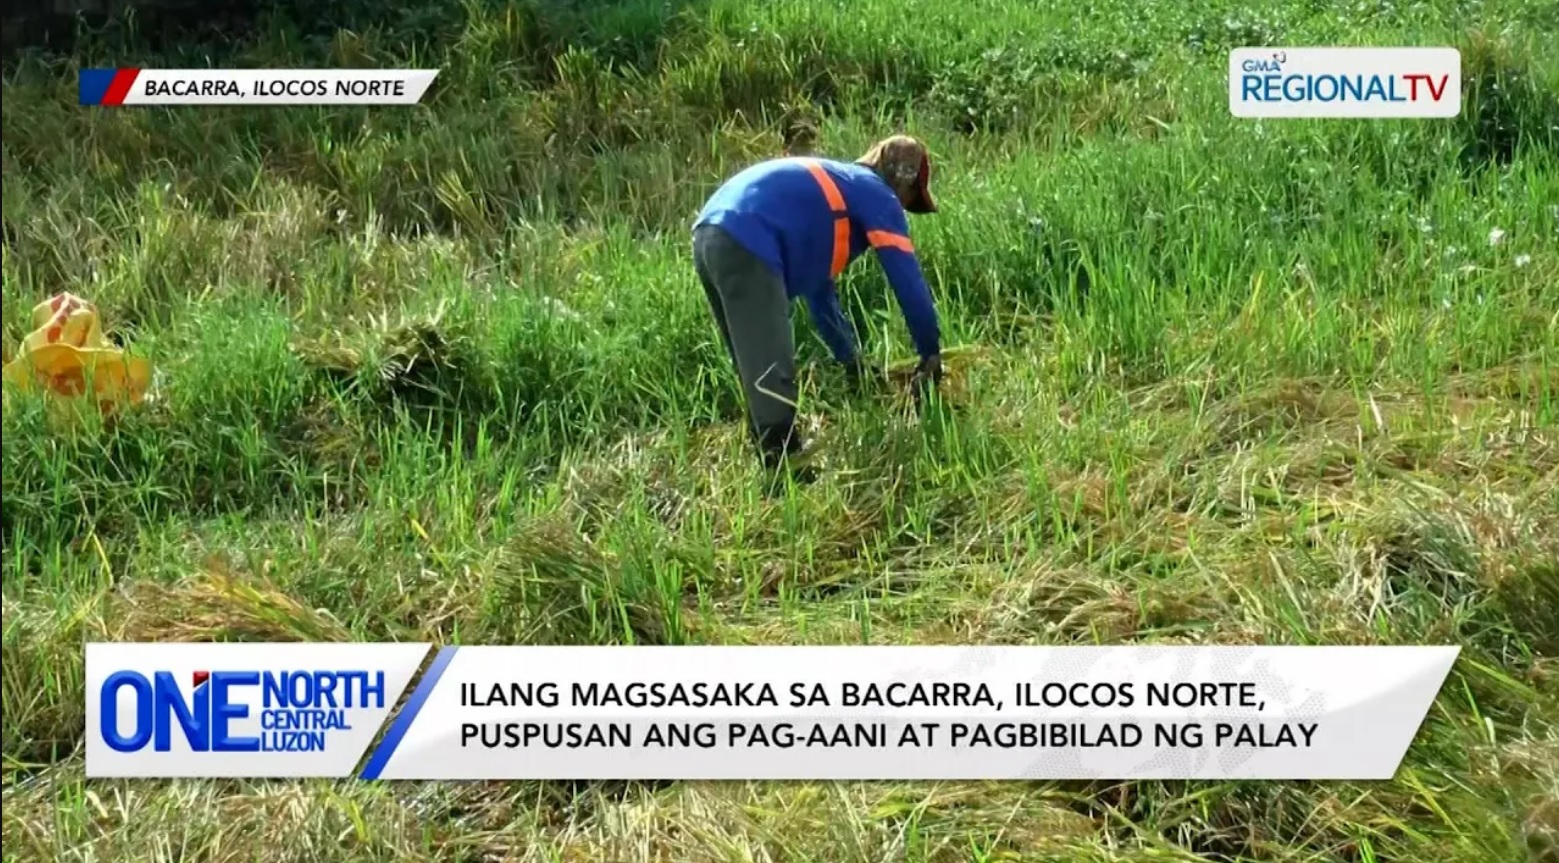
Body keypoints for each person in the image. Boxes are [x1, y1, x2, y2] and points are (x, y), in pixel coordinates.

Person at [691, 135, 944, 468]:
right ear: (903, 178)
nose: (903, 209)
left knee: (752, 361)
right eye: (910, 199)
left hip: (710, 233)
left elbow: (820, 297)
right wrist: (930, 352)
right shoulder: (876, 192)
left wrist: (852, 363)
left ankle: (770, 461)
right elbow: (906, 279)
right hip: (747, 235)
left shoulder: (833, 198)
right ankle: (785, 472)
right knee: (771, 368)